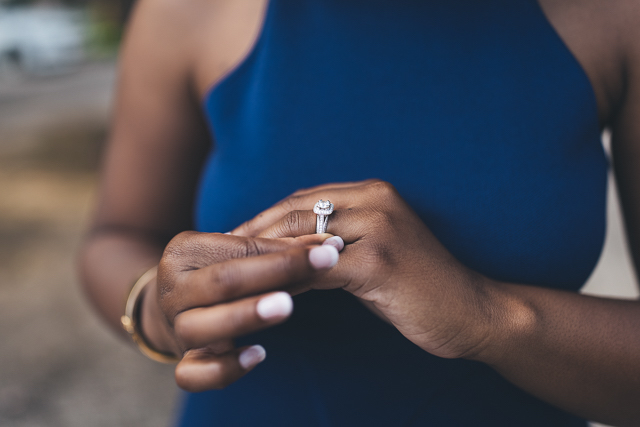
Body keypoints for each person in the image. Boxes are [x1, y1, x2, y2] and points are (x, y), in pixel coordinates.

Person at [79, 0, 640, 425]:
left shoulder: (612, 18)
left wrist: (488, 317)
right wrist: (161, 309)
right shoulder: (189, 13)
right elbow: (117, 233)